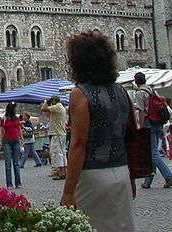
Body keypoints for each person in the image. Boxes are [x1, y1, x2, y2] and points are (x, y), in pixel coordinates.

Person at [59, 31, 135, 232]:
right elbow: (130, 137)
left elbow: (78, 144)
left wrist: (68, 192)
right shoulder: (122, 92)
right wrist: (132, 176)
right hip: (121, 171)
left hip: (93, 176)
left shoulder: (80, 94)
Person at [133, 72, 172, 189]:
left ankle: (168, 176)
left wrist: (140, 127)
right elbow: (159, 108)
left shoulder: (140, 93)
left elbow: (141, 111)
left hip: (147, 122)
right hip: (157, 122)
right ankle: (148, 181)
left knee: (153, 153)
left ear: (136, 82)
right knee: (151, 152)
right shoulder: (152, 90)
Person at [41, 95, 68, 179]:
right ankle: (62, 171)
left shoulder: (57, 107)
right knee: (62, 153)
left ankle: (59, 172)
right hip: (60, 134)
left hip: (57, 134)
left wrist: (46, 101)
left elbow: (42, 109)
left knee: (56, 152)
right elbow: (47, 113)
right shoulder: (59, 108)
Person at [0, 102, 23, 188]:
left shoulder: (17, 118)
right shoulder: (4, 119)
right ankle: (9, 184)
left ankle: (18, 183)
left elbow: (19, 128)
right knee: (8, 163)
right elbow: (1, 131)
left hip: (16, 140)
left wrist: (21, 138)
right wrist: (0, 141)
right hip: (7, 141)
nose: (16, 109)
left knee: (16, 163)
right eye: (15, 108)